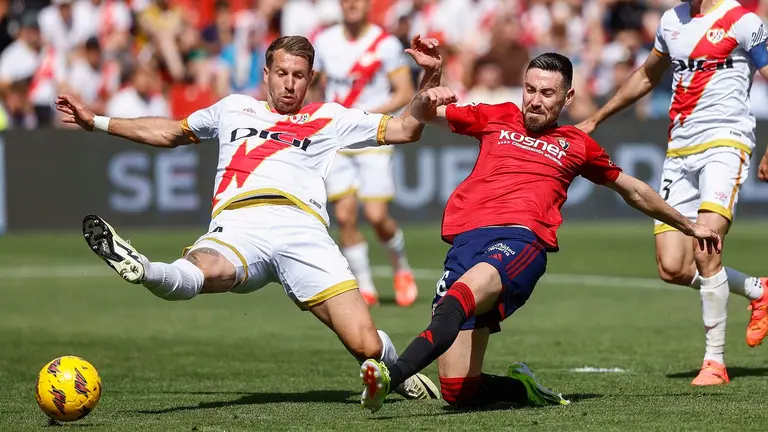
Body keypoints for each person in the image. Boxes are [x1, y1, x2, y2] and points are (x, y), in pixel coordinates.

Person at [55, 34, 442, 400]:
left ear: (311, 80)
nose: (289, 85)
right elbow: (170, 132)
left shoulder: (329, 117)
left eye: (299, 76)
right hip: (239, 225)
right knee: (203, 268)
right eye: (281, 74)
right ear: (266, 74)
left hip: (302, 230)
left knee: (367, 345)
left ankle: (396, 372)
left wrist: (430, 76)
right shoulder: (232, 108)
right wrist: (97, 122)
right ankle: (145, 269)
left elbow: (406, 128)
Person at [357, 52, 723, 413]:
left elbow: (634, 189)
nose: (534, 100)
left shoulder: (578, 144)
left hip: (520, 241)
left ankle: (391, 376)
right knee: (458, 390)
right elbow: (419, 116)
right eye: (529, 89)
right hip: (466, 242)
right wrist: (430, 84)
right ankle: (524, 389)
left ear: (568, 97)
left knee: (458, 299)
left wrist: (689, 225)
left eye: (547, 93)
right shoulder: (496, 115)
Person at [576, 0, 768, 386]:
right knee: (672, 267)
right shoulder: (671, 21)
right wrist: (596, 116)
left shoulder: (742, 20)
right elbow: (648, 75)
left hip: (725, 143)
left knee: (706, 247)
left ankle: (714, 363)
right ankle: (757, 289)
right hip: (679, 151)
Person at [313, 0, 418, 307]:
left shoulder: (383, 44)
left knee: (376, 215)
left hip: (373, 137)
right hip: (337, 141)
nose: (351, 5)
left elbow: (403, 92)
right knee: (344, 216)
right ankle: (365, 286)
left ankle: (401, 268)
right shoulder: (324, 41)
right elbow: (315, 85)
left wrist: (365, 115)